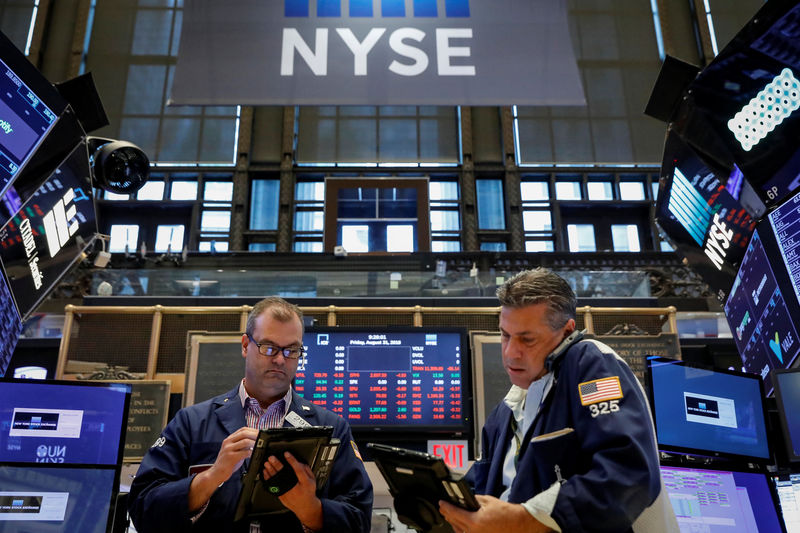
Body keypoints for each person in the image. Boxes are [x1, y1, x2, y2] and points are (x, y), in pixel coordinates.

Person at [439, 269, 678, 533]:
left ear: (566, 332)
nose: (510, 353)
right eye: (505, 335)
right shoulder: (502, 415)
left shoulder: (590, 365)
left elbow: (628, 475)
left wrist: (522, 520)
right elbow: (481, 496)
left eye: (527, 339)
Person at [128, 296, 373, 533]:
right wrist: (212, 477)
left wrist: (310, 509)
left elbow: (359, 519)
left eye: (292, 350)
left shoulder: (332, 428)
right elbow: (142, 508)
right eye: (269, 348)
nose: (280, 359)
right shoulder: (191, 423)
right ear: (246, 345)